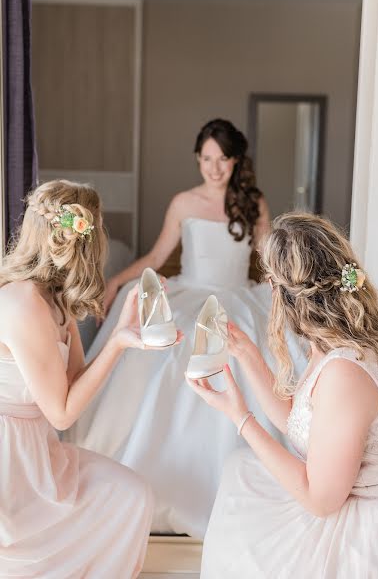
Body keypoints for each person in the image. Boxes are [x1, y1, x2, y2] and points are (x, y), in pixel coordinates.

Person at [66, 119, 306, 538]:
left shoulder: (254, 202)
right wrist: (117, 281)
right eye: (207, 159)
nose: (214, 169)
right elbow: (158, 256)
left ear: (236, 161)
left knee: (250, 348)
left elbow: (270, 260)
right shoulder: (183, 202)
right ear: (198, 158)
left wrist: (288, 293)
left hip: (238, 294)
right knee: (166, 343)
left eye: (223, 159)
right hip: (191, 291)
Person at [187, 212, 378, 578]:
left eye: (270, 280)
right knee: (239, 471)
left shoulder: (344, 375)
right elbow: (298, 423)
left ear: (285, 294)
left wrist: (242, 419)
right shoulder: (330, 341)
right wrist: (248, 355)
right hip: (337, 494)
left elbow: (321, 500)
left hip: (365, 521)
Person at [0, 179, 181, 578]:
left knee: (131, 495)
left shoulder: (54, 298)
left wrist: (127, 328)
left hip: (39, 448)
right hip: (10, 459)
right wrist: (116, 343)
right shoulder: (24, 303)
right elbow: (63, 413)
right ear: (87, 236)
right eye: (100, 228)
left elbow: (75, 380)